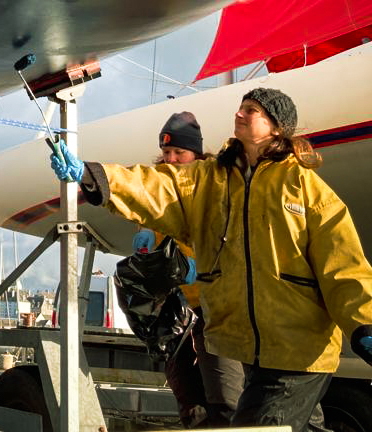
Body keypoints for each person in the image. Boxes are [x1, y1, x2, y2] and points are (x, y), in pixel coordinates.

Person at [51, 87, 372, 432]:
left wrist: (364, 323)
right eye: (241, 107)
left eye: (251, 110)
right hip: (251, 349)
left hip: (297, 348)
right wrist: (93, 175)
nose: (239, 114)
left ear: (277, 128)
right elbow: (160, 187)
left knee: (251, 426)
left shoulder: (306, 190)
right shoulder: (212, 181)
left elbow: (343, 267)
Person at [131, 111, 244, 428]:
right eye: (166, 152)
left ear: (196, 152)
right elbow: (149, 241)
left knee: (226, 398)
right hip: (176, 310)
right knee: (189, 398)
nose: (171, 159)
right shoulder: (157, 191)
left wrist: (200, 268)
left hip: (218, 310)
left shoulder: (213, 186)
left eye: (178, 152)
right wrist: (145, 247)